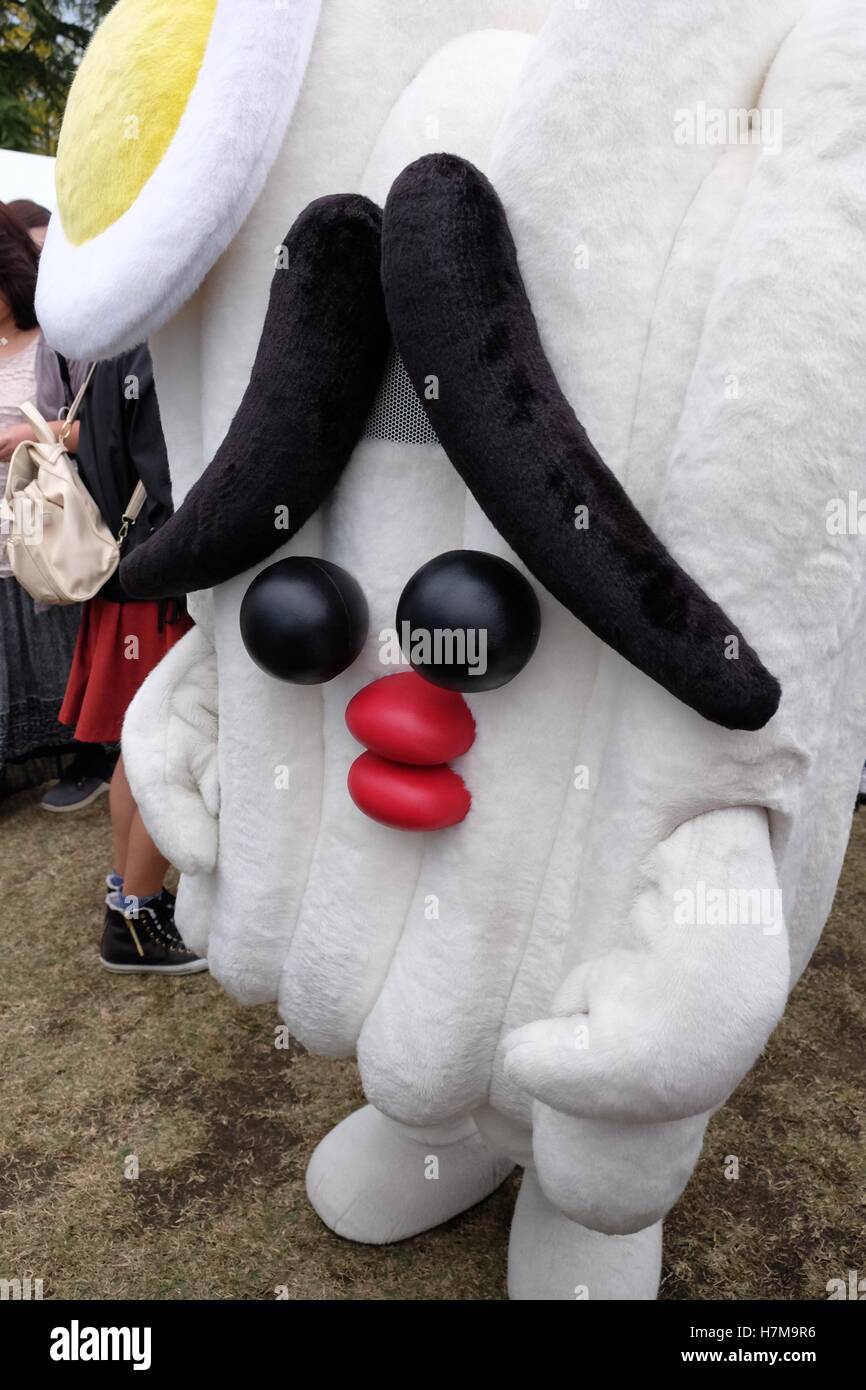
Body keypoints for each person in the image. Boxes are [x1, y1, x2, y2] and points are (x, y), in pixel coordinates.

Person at [58, 344, 206, 976]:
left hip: (122, 580)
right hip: (157, 582)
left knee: (137, 750)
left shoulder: (108, 348)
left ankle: (130, 899)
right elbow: (174, 480)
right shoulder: (159, 351)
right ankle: (137, 915)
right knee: (168, 750)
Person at [0, 202, 86, 783]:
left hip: (43, 528)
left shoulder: (56, 336)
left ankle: (87, 754)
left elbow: (94, 428)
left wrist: (33, 435)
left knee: (58, 643)